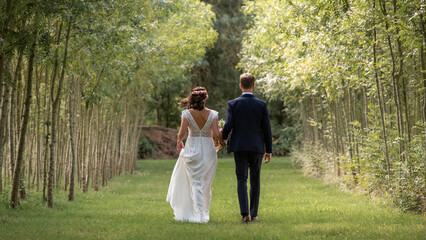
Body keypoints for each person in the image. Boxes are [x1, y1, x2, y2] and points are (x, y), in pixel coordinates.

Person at [166, 87, 223, 223]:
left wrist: (179, 141)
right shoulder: (213, 114)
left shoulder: (186, 114)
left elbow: (181, 133)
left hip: (192, 149)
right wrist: (222, 137)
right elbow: (216, 134)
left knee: (196, 182)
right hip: (208, 150)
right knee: (206, 183)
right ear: (205, 98)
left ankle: (200, 215)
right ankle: (204, 214)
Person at [221, 73, 272, 223]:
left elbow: (228, 124)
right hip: (257, 146)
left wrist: (222, 138)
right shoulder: (261, 104)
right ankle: (254, 214)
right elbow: (266, 129)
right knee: (255, 179)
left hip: (239, 145)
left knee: (241, 179)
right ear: (253, 86)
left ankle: (245, 215)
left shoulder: (233, 104)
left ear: (240, 86)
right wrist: (268, 149)